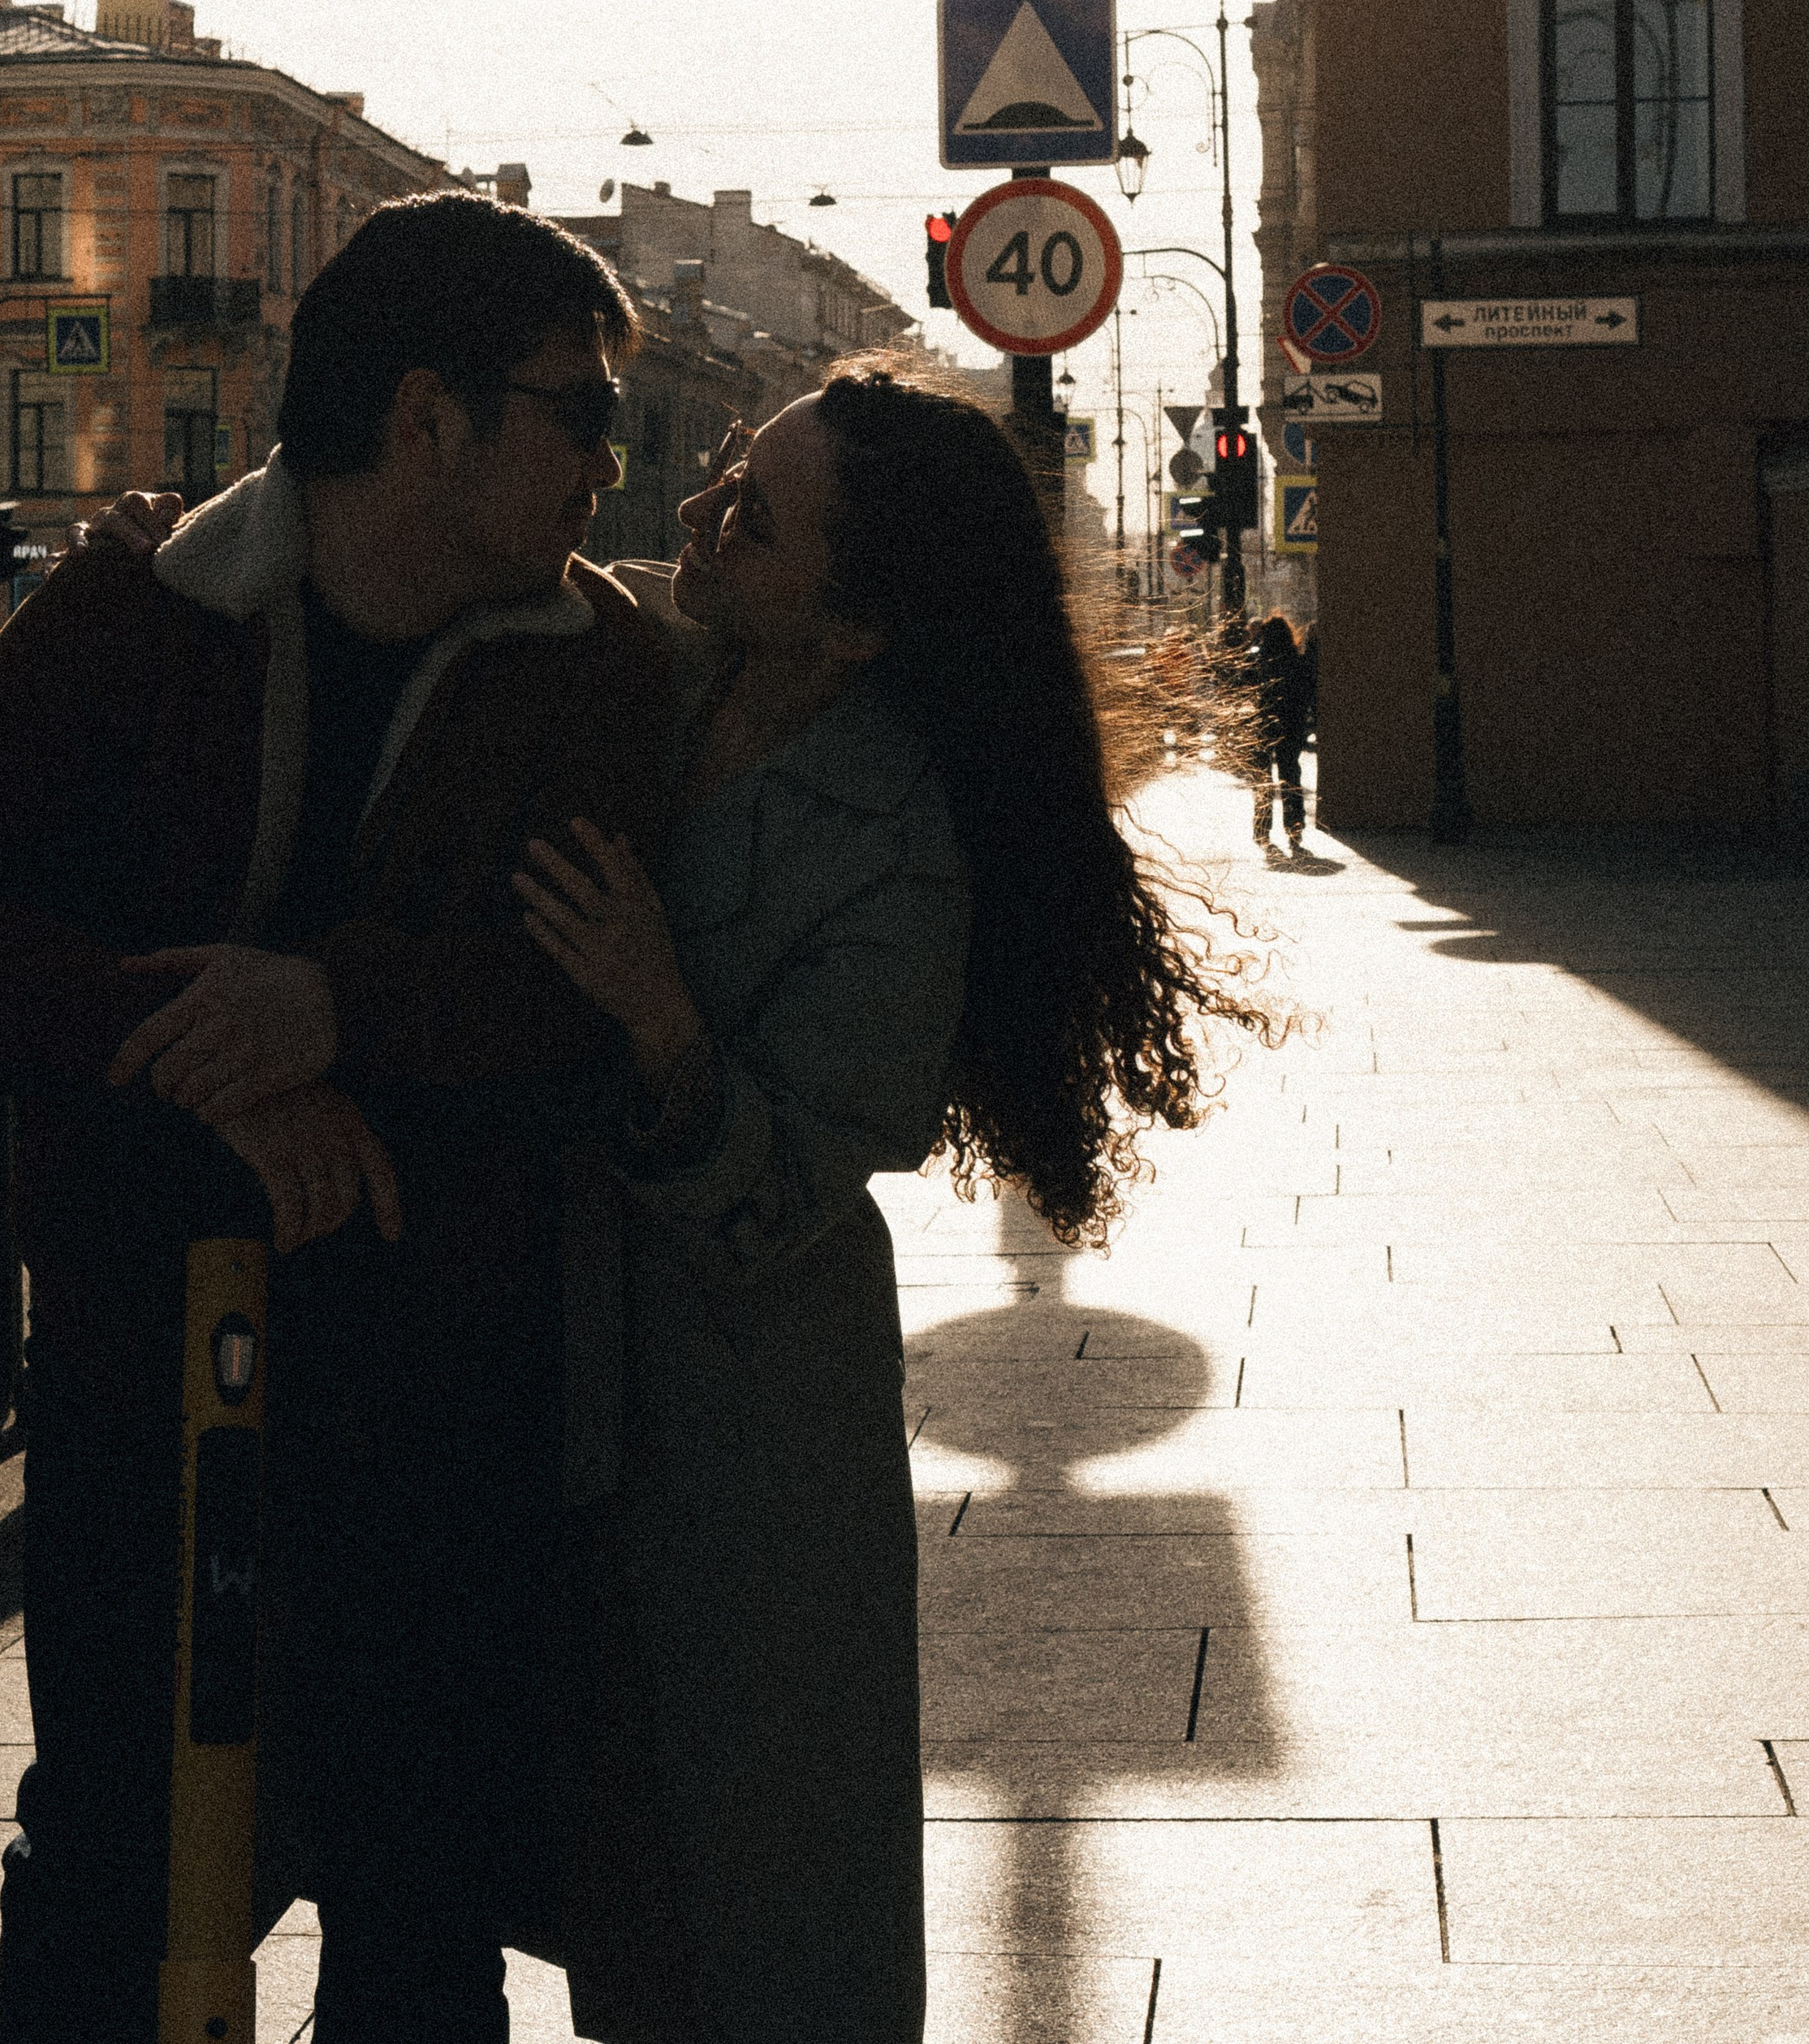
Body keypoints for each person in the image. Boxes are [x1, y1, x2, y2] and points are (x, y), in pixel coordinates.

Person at [0, 192, 674, 2044]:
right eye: (576, 409)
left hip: (442, 1389)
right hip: (143, 1370)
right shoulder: (144, 611)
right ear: (428, 416)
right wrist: (210, 1043)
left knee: (420, 1893)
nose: (608, 459)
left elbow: (581, 994)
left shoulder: (599, 668)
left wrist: (336, 1004)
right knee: (113, 1864)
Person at [512, 365, 1281, 2044]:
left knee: (761, 1893)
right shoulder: (646, 661)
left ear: (856, 625)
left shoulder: (895, 841)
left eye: (754, 516)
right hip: (543, 1365)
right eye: (723, 476)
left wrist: (658, 1016)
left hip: (744, 1419)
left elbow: (789, 1182)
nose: (702, 516)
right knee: (588, 1861)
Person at [1250, 611, 1313, 853]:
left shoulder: (1259, 661)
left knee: (1262, 778)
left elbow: (1247, 689)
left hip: (1263, 723)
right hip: (1291, 723)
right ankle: (1294, 825)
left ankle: (1262, 828)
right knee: (1290, 774)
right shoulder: (1297, 661)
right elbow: (1306, 692)